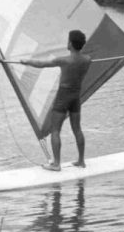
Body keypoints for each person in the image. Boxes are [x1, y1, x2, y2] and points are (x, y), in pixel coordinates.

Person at [17, 30, 91, 171]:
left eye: (68, 40)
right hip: (76, 97)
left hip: (63, 96)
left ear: (71, 43)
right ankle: (81, 161)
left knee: (55, 130)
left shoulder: (63, 60)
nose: (67, 42)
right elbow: (81, 60)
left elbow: (41, 64)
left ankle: (56, 164)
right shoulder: (87, 60)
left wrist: (26, 61)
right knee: (77, 129)